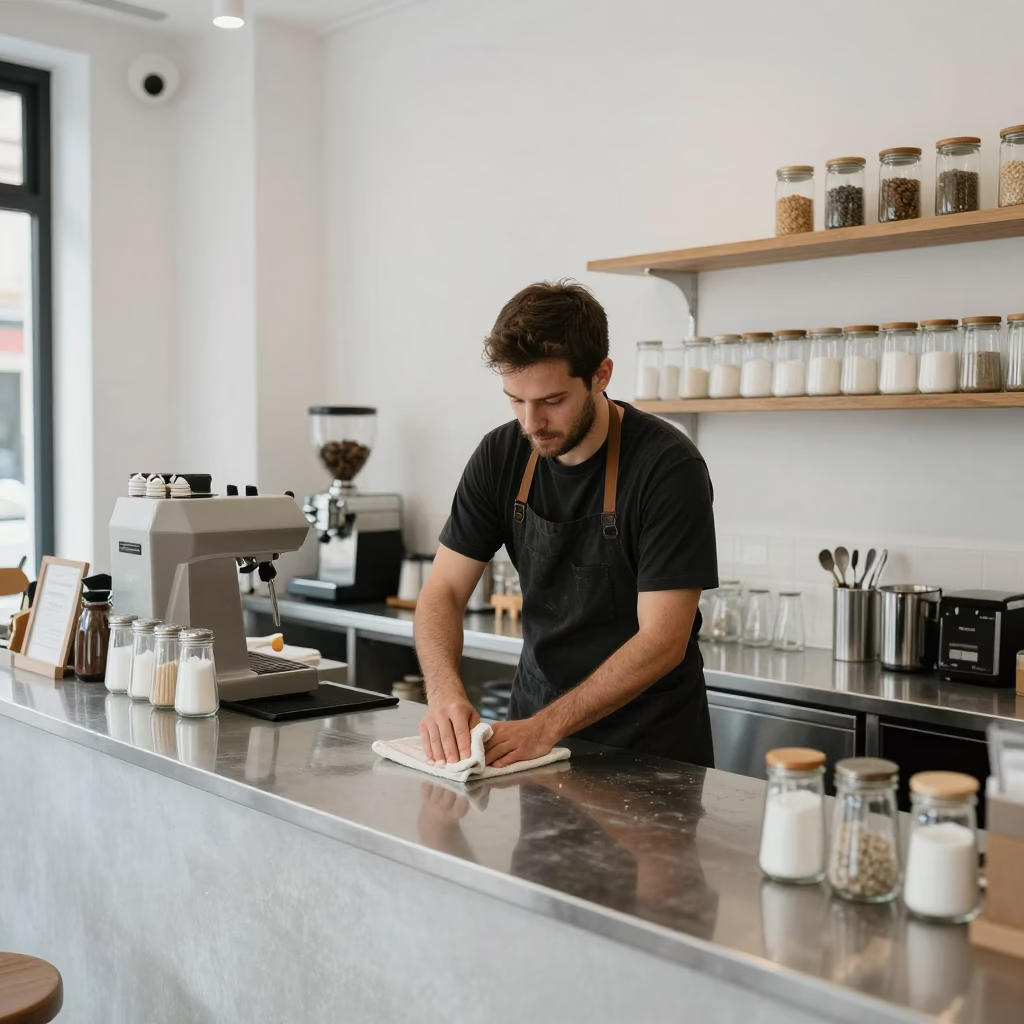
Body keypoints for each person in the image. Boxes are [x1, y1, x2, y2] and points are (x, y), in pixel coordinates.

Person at [415, 280, 718, 769]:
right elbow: (443, 592)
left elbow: (663, 640)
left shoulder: (667, 467)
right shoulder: (501, 455)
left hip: (649, 751)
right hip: (532, 743)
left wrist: (547, 727)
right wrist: (445, 693)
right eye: (515, 400)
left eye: (551, 401)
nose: (531, 423)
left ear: (601, 375)